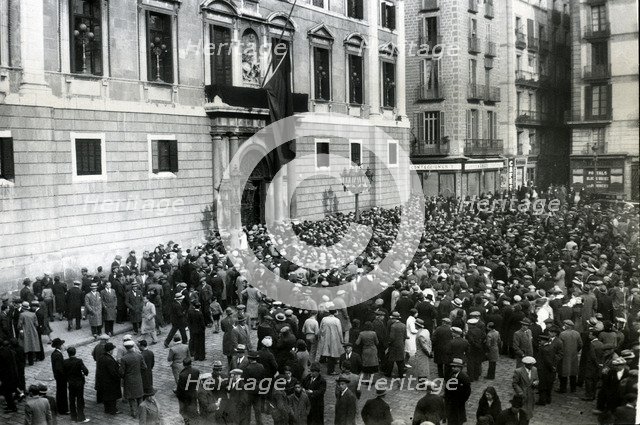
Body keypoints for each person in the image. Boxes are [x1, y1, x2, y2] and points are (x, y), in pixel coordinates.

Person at [121, 339, 147, 418]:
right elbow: (144, 367)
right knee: (139, 396)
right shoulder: (139, 355)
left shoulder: (124, 358)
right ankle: (142, 412)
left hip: (129, 380)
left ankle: (134, 413)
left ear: (126, 348)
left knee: (131, 397)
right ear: (133, 346)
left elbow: (122, 372)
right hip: (138, 378)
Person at [63, 346, 89, 423]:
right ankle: (81, 417)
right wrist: (84, 374)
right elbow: (86, 371)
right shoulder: (79, 361)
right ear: (75, 352)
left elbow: (64, 372)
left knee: (71, 399)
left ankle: (73, 417)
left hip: (71, 383)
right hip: (79, 383)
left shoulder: (65, 362)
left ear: (68, 354)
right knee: (80, 400)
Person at [96, 342, 122, 415]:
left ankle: (107, 409)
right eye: (113, 349)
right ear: (110, 350)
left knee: (106, 396)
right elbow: (113, 372)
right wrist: (118, 376)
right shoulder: (109, 360)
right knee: (112, 397)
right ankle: (113, 410)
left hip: (103, 380)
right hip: (110, 381)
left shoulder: (101, 357)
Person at [444, 358, 471, 425]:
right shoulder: (451, 374)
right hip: (450, 402)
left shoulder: (464, 377)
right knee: (450, 419)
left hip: (458, 403)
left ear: (460, 368)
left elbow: (467, 392)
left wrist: (462, 401)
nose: (452, 368)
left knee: (458, 420)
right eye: (452, 366)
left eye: (454, 367)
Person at [317, 308, 344, 375]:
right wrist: (341, 339)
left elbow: (320, 329)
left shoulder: (324, 319)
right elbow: (340, 331)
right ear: (335, 312)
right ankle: (331, 370)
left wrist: (319, 336)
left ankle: (325, 364)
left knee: (327, 352)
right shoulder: (336, 320)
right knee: (332, 354)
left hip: (325, 338)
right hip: (334, 339)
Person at [558, 319, 582, 393]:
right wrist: (576, 351)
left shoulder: (562, 334)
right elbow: (580, 344)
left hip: (564, 356)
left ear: (566, 326)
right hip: (574, 355)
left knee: (563, 372)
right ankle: (573, 388)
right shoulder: (577, 333)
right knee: (573, 372)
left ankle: (563, 388)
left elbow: (560, 346)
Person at [512, 356, 538, 420]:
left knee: (529, 413)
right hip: (522, 395)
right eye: (530, 365)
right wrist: (520, 392)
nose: (531, 366)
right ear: (525, 364)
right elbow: (514, 383)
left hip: (531, 394)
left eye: (532, 365)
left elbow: (537, 379)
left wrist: (536, 382)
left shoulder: (534, 369)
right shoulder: (518, 371)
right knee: (522, 413)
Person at [176, 358, 200, 425]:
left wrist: (178, 395)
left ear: (183, 365)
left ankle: (187, 422)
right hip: (193, 393)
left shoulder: (182, 375)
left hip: (185, 396)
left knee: (184, 411)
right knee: (193, 409)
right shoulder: (196, 371)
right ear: (191, 363)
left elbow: (180, 388)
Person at [18, 301, 41, 365]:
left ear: (23, 308)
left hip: (25, 332)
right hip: (32, 331)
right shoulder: (33, 314)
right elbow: (36, 324)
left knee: (24, 346)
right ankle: (31, 362)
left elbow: (19, 325)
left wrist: (20, 330)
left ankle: (24, 362)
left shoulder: (22, 314)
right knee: (31, 346)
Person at [0, 339, 20, 413]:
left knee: (7, 393)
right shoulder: (11, 351)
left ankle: (12, 407)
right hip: (13, 375)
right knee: (8, 392)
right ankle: (10, 405)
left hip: (6, 376)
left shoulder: (2, 353)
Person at [50, 338, 68, 415]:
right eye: (62, 344)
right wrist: (65, 376)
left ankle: (60, 407)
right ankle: (62, 409)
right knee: (62, 392)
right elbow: (59, 368)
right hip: (61, 377)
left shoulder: (55, 353)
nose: (63, 346)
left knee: (60, 391)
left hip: (58, 376)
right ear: (59, 346)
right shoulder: (58, 355)